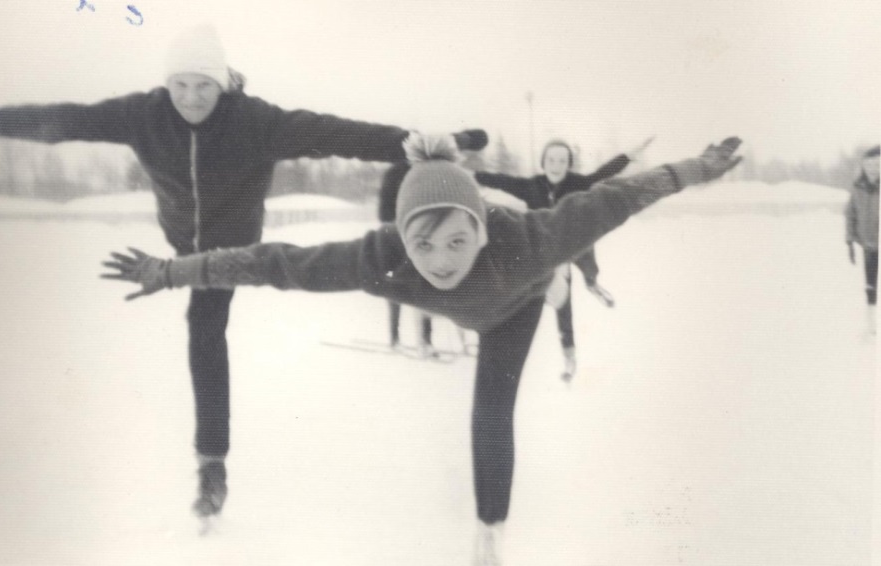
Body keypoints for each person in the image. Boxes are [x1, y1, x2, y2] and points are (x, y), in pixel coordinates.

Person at [102, 132, 743, 565]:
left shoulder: (530, 235)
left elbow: (619, 196)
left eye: (457, 242)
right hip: (499, 289)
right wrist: (173, 272)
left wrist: (695, 169)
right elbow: (276, 262)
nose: (440, 262)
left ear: (481, 229)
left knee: (491, 412)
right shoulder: (381, 258)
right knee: (476, 333)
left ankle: (488, 531)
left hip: (515, 305)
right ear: (401, 238)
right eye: (424, 245)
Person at [0, 24, 488, 519]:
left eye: (204, 85)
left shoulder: (254, 121)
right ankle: (212, 465)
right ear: (168, 84)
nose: (191, 97)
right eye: (180, 85)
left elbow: (335, 133)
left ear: (223, 83)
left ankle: (211, 465)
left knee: (204, 330)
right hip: (183, 241)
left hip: (234, 249)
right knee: (203, 331)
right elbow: (68, 120)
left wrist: (418, 144)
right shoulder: (143, 114)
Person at [473, 137, 654, 380]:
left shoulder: (577, 183)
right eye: (551, 160)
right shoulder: (531, 185)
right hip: (547, 250)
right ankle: (569, 354)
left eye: (561, 160)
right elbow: (501, 180)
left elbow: (603, 174)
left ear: (568, 163)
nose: (556, 165)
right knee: (562, 297)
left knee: (588, 264)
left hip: (575, 241)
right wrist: (470, 175)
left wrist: (629, 156)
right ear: (543, 162)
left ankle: (592, 282)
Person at [378, 162, 435, 356]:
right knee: (411, 284)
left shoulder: (415, 173)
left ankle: (411, 340)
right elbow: (384, 211)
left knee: (413, 285)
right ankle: (415, 340)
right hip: (401, 234)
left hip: (406, 233)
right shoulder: (410, 174)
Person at [845, 145, 880, 337]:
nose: (873, 168)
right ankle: (872, 325)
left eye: (877, 164)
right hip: (869, 245)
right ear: (863, 166)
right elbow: (850, 214)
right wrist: (850, 241)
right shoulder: (857, 188)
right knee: (871, 286)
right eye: (869, 164)